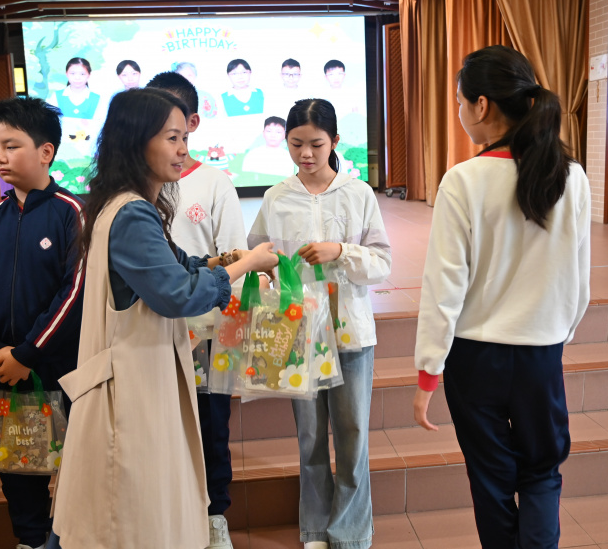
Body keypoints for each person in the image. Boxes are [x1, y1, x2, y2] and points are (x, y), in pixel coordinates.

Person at [51, 88, 278, 549]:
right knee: (135, 516)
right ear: (137, 141)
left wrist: (224, 259)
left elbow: (178, 266)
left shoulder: (124, 204)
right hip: (132, 386)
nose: (182, 150)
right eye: (171, 138)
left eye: (185, 138)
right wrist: (247, 264)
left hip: (138, 378)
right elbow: (179, 293)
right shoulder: (132, 213)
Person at [413, 45, 591, 549]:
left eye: (459, 101)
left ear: (482, 105)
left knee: (490, 478)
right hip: (540, 353)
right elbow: (579, 280)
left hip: (475, 358)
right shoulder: (572, 176)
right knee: (542, 470)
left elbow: (444, 285)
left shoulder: (463, 180)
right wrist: (556, 333)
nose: (460, 110)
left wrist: (428, 371)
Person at [248, 99, 391, 549]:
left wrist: (341, 251)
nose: (305, 154)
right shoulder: (276, 197)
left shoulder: (358, 193)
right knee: (309, 435)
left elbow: (382, 262)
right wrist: (263, 274)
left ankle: (350, 532)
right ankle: (313, 528)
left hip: (351, 332)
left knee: (352, 434)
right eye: (296, 144)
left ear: (335, 142)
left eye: (316, 144)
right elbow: (259, 256)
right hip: (299, 332)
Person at [0, 97, 85, 549]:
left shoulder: (72, 213)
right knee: (17, 464)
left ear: (46, 151)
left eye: (11, 146)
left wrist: (28, 353)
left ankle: (68, 539)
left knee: (73, 462)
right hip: (2, 367)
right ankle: (30, 539)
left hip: (58, 365)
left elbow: (75, 291)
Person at [146, 71, 247, 549]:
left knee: (211, 426)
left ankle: (214, 516)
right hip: (153, 333)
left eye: (176, 127)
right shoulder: (139, 190)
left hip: (205, 333)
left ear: (192, 124)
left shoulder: (214, 182)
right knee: (161, 428)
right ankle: (173, 519)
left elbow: (234, 261)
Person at [46, 57, 106, 194]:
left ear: (89, 75)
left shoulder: (97, 99)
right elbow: (50, 121)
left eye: (82, 74)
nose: (77, 78)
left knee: (88, 190)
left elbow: (101, 124)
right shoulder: (56, 96)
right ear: (66, 74)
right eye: (73, 73)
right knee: (62, 188)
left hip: (88, 149)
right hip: (62, 149)